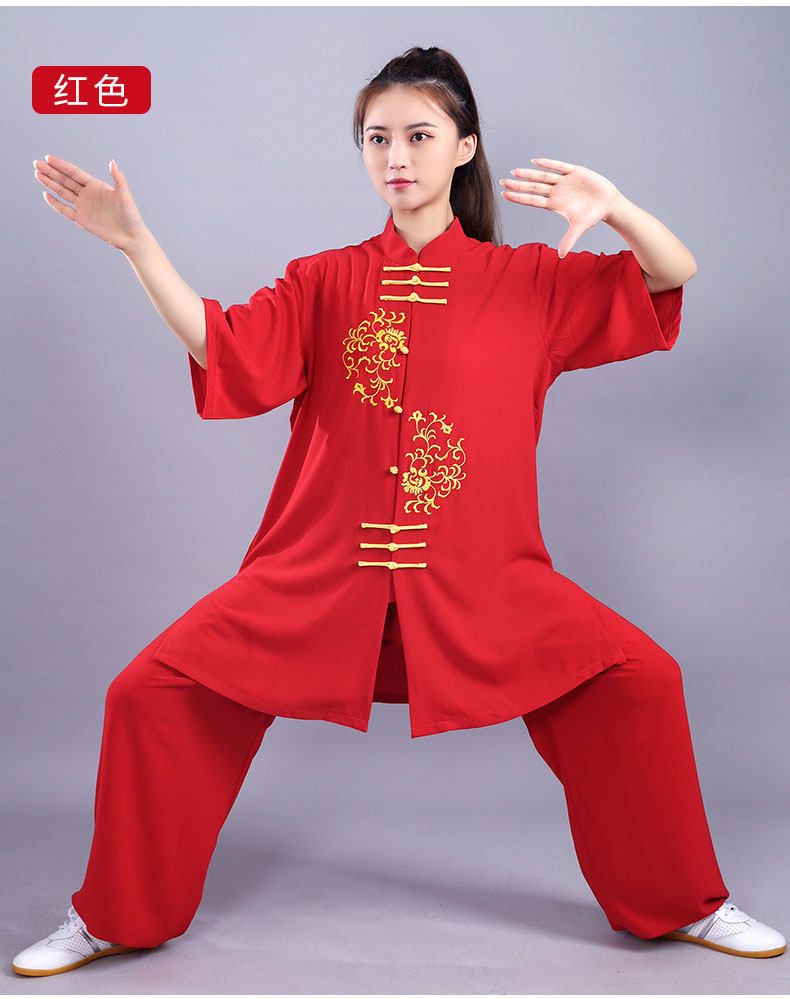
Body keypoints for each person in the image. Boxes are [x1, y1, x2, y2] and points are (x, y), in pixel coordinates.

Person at [14, 45, 785, 977]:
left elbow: (670, 272)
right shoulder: (324, 279)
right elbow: (226, 347)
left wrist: (615, 205)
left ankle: (687, 903)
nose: (397, 156)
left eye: (420, 136)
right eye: (377, 138)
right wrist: (138, 246)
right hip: (316, 574)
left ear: (464, 147)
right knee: (148, 693)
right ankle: (113, 914)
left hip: (486, 579)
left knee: (639, 682)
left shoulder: (532, 282)